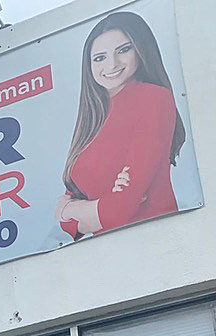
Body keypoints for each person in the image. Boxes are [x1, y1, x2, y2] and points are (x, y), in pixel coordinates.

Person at [56, 10, 186, 239]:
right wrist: (97, 208)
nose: (112, 64)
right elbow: (67, 227)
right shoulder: (93, 116)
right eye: (99, 58)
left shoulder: (153, 98)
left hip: (156, 241)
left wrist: (70, 209)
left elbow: (120, 211)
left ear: (140, 49)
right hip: (108, 254)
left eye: (123, 50)